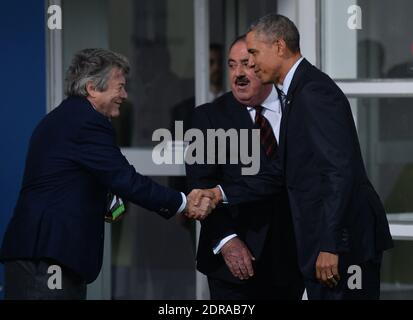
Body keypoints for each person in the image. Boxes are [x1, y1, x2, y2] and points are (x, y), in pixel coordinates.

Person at [187, 14, 394, 300]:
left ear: (280, 47)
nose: (251, 65)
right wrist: (218, 193)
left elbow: (339, 172)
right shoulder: (298, 92)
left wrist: (330, 244)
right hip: (309, 251)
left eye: (254, 55)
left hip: (342, 245)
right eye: (235, 63)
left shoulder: (312, 93)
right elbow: (281, 172)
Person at [0, 48, 214, 300]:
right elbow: (125, 178)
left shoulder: (68, 117)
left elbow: (89, 181)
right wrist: (183, 203)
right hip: (47, 260)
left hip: (48, 259)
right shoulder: (86, 122)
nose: (124, 95)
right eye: (120, 87)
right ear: (92, 88)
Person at [186, 35, 303, 300]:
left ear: (265, 66)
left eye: (247, 65)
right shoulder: (207, 118)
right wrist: (227, 240)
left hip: (289, 258)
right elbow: (200, 187)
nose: (238, 73)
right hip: (233, 264)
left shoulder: (297, 109)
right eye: (231, 65)